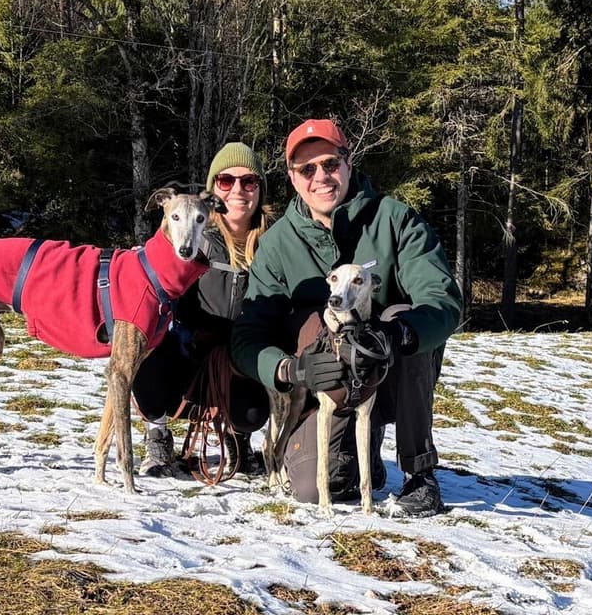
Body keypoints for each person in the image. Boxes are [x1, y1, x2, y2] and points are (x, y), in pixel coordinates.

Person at [231, 118, 461, 517]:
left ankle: (420, 476)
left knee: (404, 313)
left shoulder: (395, 221)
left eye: (330, 164)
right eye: (307, 169)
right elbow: (246, 337)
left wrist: (398, 334)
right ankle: (358, 450)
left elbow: (442, 301)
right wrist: (289, 369)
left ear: (348, 162)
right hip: (323, 389)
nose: (320, 177)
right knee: (315, 488)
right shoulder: (277, 244)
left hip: (390, 377)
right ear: (292, 178)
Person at [134, 142, 272, 476]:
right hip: (190, 348)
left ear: (259, 189)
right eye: (226, 181)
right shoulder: (193, 237)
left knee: (252, 413)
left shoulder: (275, 242)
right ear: (213, 192)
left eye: (248, 182)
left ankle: (241, 438)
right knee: (146, 353)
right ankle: (157, 434)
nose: (237, 190)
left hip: (242, 354)